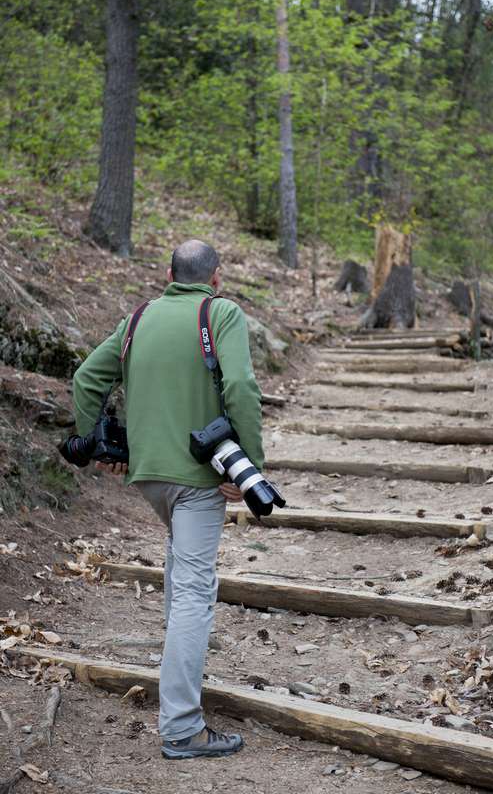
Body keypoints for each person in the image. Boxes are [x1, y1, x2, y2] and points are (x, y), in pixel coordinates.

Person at [72, 239, 264, 759]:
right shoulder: (221, 313)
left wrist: (95, 442)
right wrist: (250, 468)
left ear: (169, 273)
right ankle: (181, 727)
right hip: (201, 478)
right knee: (194, 593)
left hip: (149, 475)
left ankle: (181, 697)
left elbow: (88, 377)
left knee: (183, 573)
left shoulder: (138, 317)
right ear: (216, 277)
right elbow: (243, 387)